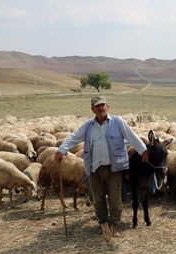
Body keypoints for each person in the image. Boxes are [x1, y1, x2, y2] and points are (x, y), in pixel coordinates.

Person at [55, 96, 149, 235]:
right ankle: (103, 224)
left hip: (113, 168)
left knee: (115, 199)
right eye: (97, 106)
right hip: (94, 168)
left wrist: (144, 151)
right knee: (98, 199)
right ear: (92, 109)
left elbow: (132, 136)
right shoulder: (88, 126)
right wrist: (61, 150)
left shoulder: (118, 122)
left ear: (107, 106)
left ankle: (114, 225)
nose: (100, 108)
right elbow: (74, 137)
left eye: (103, 105)